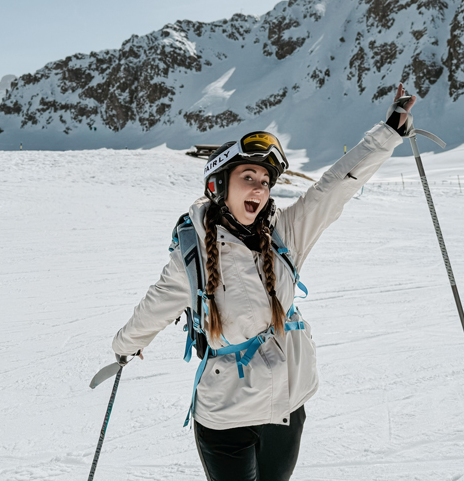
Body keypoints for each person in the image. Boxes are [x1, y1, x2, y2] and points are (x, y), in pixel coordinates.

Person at [112, 84, 416, 481]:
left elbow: (336, 186)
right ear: (217, 186)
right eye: (248, 176)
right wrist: (124, 346)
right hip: (225, 415)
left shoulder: (285, 233)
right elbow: (155, 306)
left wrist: (388, 133)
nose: (259, 187)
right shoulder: (195, 256)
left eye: (265, 181)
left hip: (286, 404)